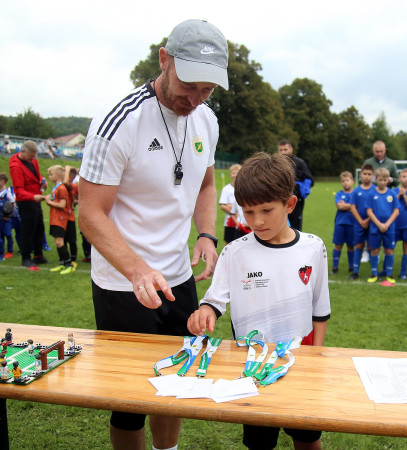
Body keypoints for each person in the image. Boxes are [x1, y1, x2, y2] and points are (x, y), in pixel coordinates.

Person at [78, 19, 229, 450]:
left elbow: (205, 184)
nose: (195, 99)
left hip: (179, 278)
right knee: (129, 400)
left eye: (207, 90)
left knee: (178, 382)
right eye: (189, 85)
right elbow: (89, 213)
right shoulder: (119, 122)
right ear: (165, 59)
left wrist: (206, 234)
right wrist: (137, 270)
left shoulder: (206, 120)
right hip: (123, 283)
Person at [188, 152, 330, 450]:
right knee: (259, 441)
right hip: (251, 364)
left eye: (266, 210)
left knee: (307, 437)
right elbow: (215, 299)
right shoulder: (234, 252)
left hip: (299, 360)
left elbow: (320, 309)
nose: (257, 221)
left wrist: (316, 358)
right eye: (248, 212)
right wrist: (205, 311)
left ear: (290, 204)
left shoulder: (313, 247)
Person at [8, 140, 49, 270]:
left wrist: (42, 181)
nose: (33, 159)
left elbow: (37, 175)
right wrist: (33, 196)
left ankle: (38, 254)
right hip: (26, 201)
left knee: (39, 227)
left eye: (34, 156)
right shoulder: (16, 167)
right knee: (28, 229)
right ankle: (26, 258)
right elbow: (19, 190)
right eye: (31, 156)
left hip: (36, 199)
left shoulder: (33, 161)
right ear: (23, 152)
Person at [366, 167, 400, 284]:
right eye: (380, 180)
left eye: (385, 180)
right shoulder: (371, 194)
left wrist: (387, 224)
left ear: (388, 180)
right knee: (374, 250)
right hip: (375, 227)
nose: (382, 182)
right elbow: (369, 211)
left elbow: (396, 211)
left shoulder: (392, 193)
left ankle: (389, 274)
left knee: (389, 250)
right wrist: (379, 224)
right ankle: (374, 273)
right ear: (376, 179)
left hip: (389, 228)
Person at [45, 166, 75, 275]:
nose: (49, 177)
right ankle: (62, 263)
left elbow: (62, 205)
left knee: (59, 242)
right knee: (58, 242)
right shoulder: (56, 188)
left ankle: (69, 264)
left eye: (51, 174)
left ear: (58, 175)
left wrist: (49, 202)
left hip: (60, 218)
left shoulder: (61, 188)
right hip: (55, 218)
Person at [278, 139, 314, 231]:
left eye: (285, 149)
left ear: (291, 149)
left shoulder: (299, 163)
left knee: (295, 225)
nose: (283, 152)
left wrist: (302, 190)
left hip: (296, 199)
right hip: (279, 198)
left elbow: (309, 179)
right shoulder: (275, 164)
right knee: (278, 224)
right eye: (281, 150)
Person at [348, 164, 375, 280]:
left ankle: (374, 272)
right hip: (359, 223)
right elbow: (352, 207)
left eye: (369, 174)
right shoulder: (356, 191)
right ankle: (355, 271)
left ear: (373, 176)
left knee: (372, 246)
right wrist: (361, 221)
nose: (367, 176)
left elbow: (376, 208)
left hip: (373, 223)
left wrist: (368, 220)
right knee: (358, 245)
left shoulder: (375, 190)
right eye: (365, 174)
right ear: (361, 175)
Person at [332, 171, 355, 274]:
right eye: (343, 181)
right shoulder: (339, 194)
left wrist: (346, 205)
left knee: (351, 246)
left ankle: (351, 266)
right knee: (338, 245)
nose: (345, 183)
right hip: (340, 223)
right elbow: (340, 206)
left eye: (347, 180)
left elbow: (356, 207)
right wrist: (350, 206)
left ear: (352, 181)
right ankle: (335, 267)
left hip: (352, 223)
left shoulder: (355, 194)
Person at [219, 164, 241, 244]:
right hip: (230, 222)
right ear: (230, 175)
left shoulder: (245, 188)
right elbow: (223, 205)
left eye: (238, 173)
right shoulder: (226, 189)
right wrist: (234, 211)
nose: (236, 175)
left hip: (243, 222)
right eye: (234, 173)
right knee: (229, 243)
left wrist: (231, 206)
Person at [62, 166, 78, 266]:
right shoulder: (62, 187)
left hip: (69, 217)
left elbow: (65, 182)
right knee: (63, 239)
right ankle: (65, 258)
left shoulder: (71, 185)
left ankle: (73, 258)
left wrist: (67, 169)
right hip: (61, 217)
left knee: (72, 240)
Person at [393, 169, 407, 279]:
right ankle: (387, 271)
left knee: (405, 248)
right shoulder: (394, 191)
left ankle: (403, 272)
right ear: (399, 179)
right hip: (395, 224)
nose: (405, 179)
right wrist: (399, 195)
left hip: (406, 225)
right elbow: (391, 205)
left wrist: (404, 195)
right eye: (403, 176)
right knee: (390, 247)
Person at [0, 173, 15, 261]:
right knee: (1, 236)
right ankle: (1, 252)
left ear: (2, 182)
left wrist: (9, 214)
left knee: (8, 235)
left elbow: (13, 204)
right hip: (0, 218)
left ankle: (10, 252)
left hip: (6, 219)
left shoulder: (7, 193)